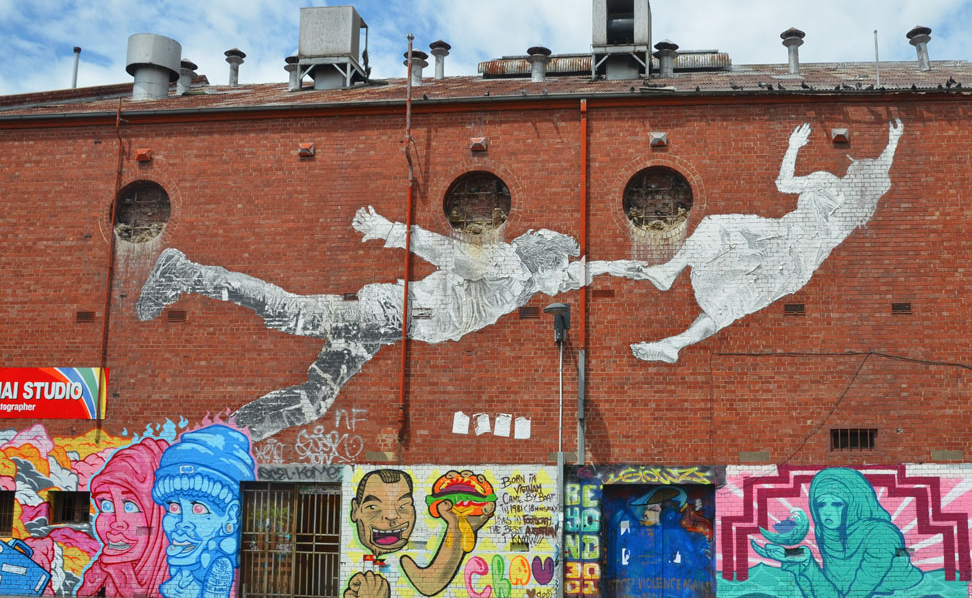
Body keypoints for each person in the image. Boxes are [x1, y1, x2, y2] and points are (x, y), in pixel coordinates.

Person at [136, 212, 644, 440]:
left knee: (314, 400)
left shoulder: (527, 281)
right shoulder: (503, 266)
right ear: (543, 261)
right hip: (385, 313)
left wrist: (624, 267)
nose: (561, 282)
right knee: (291, 313)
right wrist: (389, 230)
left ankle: (228, 434)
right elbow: (445, 250)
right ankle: (187, 272)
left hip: (386, 329)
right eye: (558, 270)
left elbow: (581, 273)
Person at [625, 119, 904, 362]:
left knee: (729, 287)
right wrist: (892, 144)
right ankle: (669, 281)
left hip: (786, 253)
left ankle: (673, 335)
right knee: (720, 236)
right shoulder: (839, 199)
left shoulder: (839, 199)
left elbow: (788, 185)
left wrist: (795, 146)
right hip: (785, 246)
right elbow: (788, 184)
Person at [343, 468, 496, 598]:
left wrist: (457, 524)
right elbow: (429, 583)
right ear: (356, 510)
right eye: (373, 507)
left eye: (403, 506)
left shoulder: (409, 555)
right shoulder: (397, 558)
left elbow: (430, 583)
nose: (391, 516)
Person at [775, 467, 922, 598]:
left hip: (903, 594)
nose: (826, 511)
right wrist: (806, 563)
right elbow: (830, 595)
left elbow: (856, 595)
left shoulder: (881, 534)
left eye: (837, 504)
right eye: (821, 505)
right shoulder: (826, 534)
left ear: (854, 505)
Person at [151, 424, 256, 598]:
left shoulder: (220, 569)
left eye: (198, 509)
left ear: (230, 515)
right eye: (173, 508)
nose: (182, 523)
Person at [77, 438, 172, 598]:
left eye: (130, 506)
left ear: (159, 513)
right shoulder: (99, 573)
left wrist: (122, 575)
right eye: (106, 506)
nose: (116, 523)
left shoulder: (177, 580)